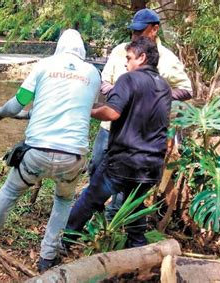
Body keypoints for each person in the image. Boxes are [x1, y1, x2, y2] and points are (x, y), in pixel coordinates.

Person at [0, 29, 101, 273]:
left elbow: (17, 103)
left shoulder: (44, 66)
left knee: (10, 191)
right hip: (73, 158)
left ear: (59, 46)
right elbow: (77, 105)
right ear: (82, 50)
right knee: (63, 200)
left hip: (37, 154)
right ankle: (47, 257)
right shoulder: (93, 74)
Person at [66, 36, 172, 248]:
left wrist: (85, 109)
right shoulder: (164, 87)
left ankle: (65, 240)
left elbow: (112, 112)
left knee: (91, 198)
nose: (126, 62)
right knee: (134, 205)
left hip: (124, 161)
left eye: (129, 57)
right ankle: (136, 246)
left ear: (142, 58)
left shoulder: (128, 79)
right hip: (151, 166)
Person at [87, 8, 192, 220]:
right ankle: (96, 213)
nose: (135, 36)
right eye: (133, 32)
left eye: (140, 32)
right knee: (96, 166)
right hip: (110, 126)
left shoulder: (168, 59)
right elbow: (104, 81)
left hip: (139, 134)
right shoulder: (119, 51)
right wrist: (121, 94)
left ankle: (112, 222)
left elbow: (187, 89)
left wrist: (156, 95)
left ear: (154, 29)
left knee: (125, 179)